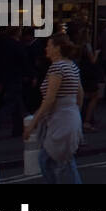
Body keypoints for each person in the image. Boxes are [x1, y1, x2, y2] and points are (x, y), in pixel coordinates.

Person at [24, 33, 84, 184]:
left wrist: (32, 124)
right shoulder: (72, 66)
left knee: (46, 160)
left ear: (57, 49)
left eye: (49, 46)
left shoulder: (57, 68)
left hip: (60, 120)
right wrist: (76, 114)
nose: (46, 49)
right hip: (70, 118)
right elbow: (80, 94)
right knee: (64, 160)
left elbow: (49, 99)